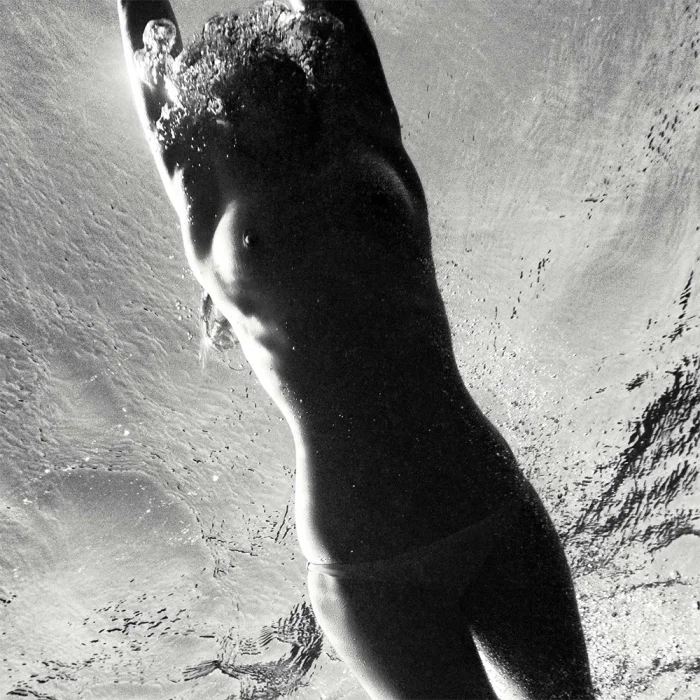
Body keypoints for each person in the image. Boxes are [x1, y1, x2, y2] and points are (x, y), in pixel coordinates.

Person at [118, 1, 595, 697]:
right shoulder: (211, 206)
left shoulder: (362, 132)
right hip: (369, 573)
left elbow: (330, 11)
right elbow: (148, 44)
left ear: (299, 72)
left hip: (488, 507)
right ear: (215, 113)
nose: (254, 80)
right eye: (231, 89)